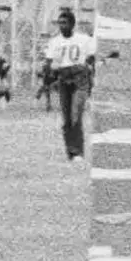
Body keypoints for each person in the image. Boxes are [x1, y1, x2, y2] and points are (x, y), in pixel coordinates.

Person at [41, 9, 95, 162]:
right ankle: (71, 151)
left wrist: (87, 66)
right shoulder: (55, 41)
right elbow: (49, 62)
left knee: (75, 114)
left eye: (64, 23)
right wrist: (47, 76)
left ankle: (78, 151)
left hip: (80, 79)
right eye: (60, 23)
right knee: (66, 119)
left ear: (72, 24)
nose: (62, 26)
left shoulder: (84, 39)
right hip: (64, 79)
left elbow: (91, 56)